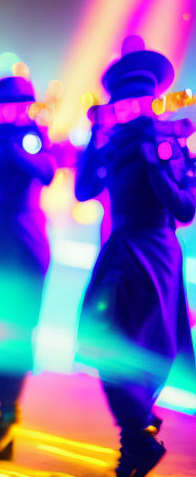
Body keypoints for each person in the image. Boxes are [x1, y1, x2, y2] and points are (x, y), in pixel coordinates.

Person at [75, 36, 195, 477]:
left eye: (139, 101)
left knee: (145, 348)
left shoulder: (170, 143)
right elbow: (83, 190)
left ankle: (135, 443)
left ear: (153, 101)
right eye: (123, 102)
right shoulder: (110, 141)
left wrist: (157, 164)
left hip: (157, 252)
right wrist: (93, 139)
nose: (131, 109)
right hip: (121, 248)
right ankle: (137, 437)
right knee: (100, 341)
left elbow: (184, 209)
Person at [0, 75, 56, 460]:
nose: (10, 112)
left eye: (17, 105)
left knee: (18, 331)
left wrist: (14, 146)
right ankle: (3, 418)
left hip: (26, 236)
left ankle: (6, 420)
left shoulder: (34, 135)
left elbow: (47, 172)